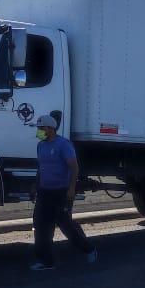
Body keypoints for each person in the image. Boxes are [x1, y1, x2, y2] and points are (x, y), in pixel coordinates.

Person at [30, 114, 97, 270]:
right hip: (44, 192)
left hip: (61, 192)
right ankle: (46, 261)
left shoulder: (63, 145)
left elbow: (74, 167)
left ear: (50, 128)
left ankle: (88, 249)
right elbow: (41, 168)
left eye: (41, 128)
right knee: (40, 225)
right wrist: (35, 185)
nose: (39, 131)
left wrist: (71, 189)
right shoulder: (41, 145)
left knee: (66, 225)